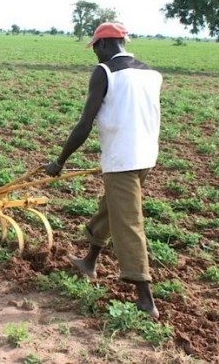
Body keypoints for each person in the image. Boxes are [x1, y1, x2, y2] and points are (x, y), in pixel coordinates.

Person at [44, 22, 163, 318]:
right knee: (111, 209)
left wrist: (59, 161)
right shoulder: (151, 73)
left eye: (95, 47)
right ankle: (89, 262)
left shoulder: (104, 72)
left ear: (105, 44)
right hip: (146, 156)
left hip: (123, 160)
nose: (95, 54)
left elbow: (84, 123)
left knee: (128, 223)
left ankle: (146, 299)